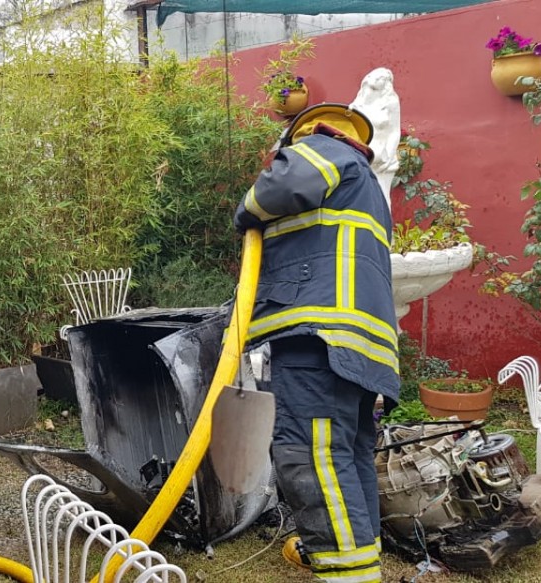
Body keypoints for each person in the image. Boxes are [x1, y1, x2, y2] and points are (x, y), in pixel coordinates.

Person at [233, 103, 396, 583]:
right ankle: (361, 564)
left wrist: (245, 213)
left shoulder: (323, 148)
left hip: (318, 336)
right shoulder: (364, 187)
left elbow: (275, 190)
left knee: (309, 452)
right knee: (344, 454)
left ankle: (347, 574)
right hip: (358, 345)